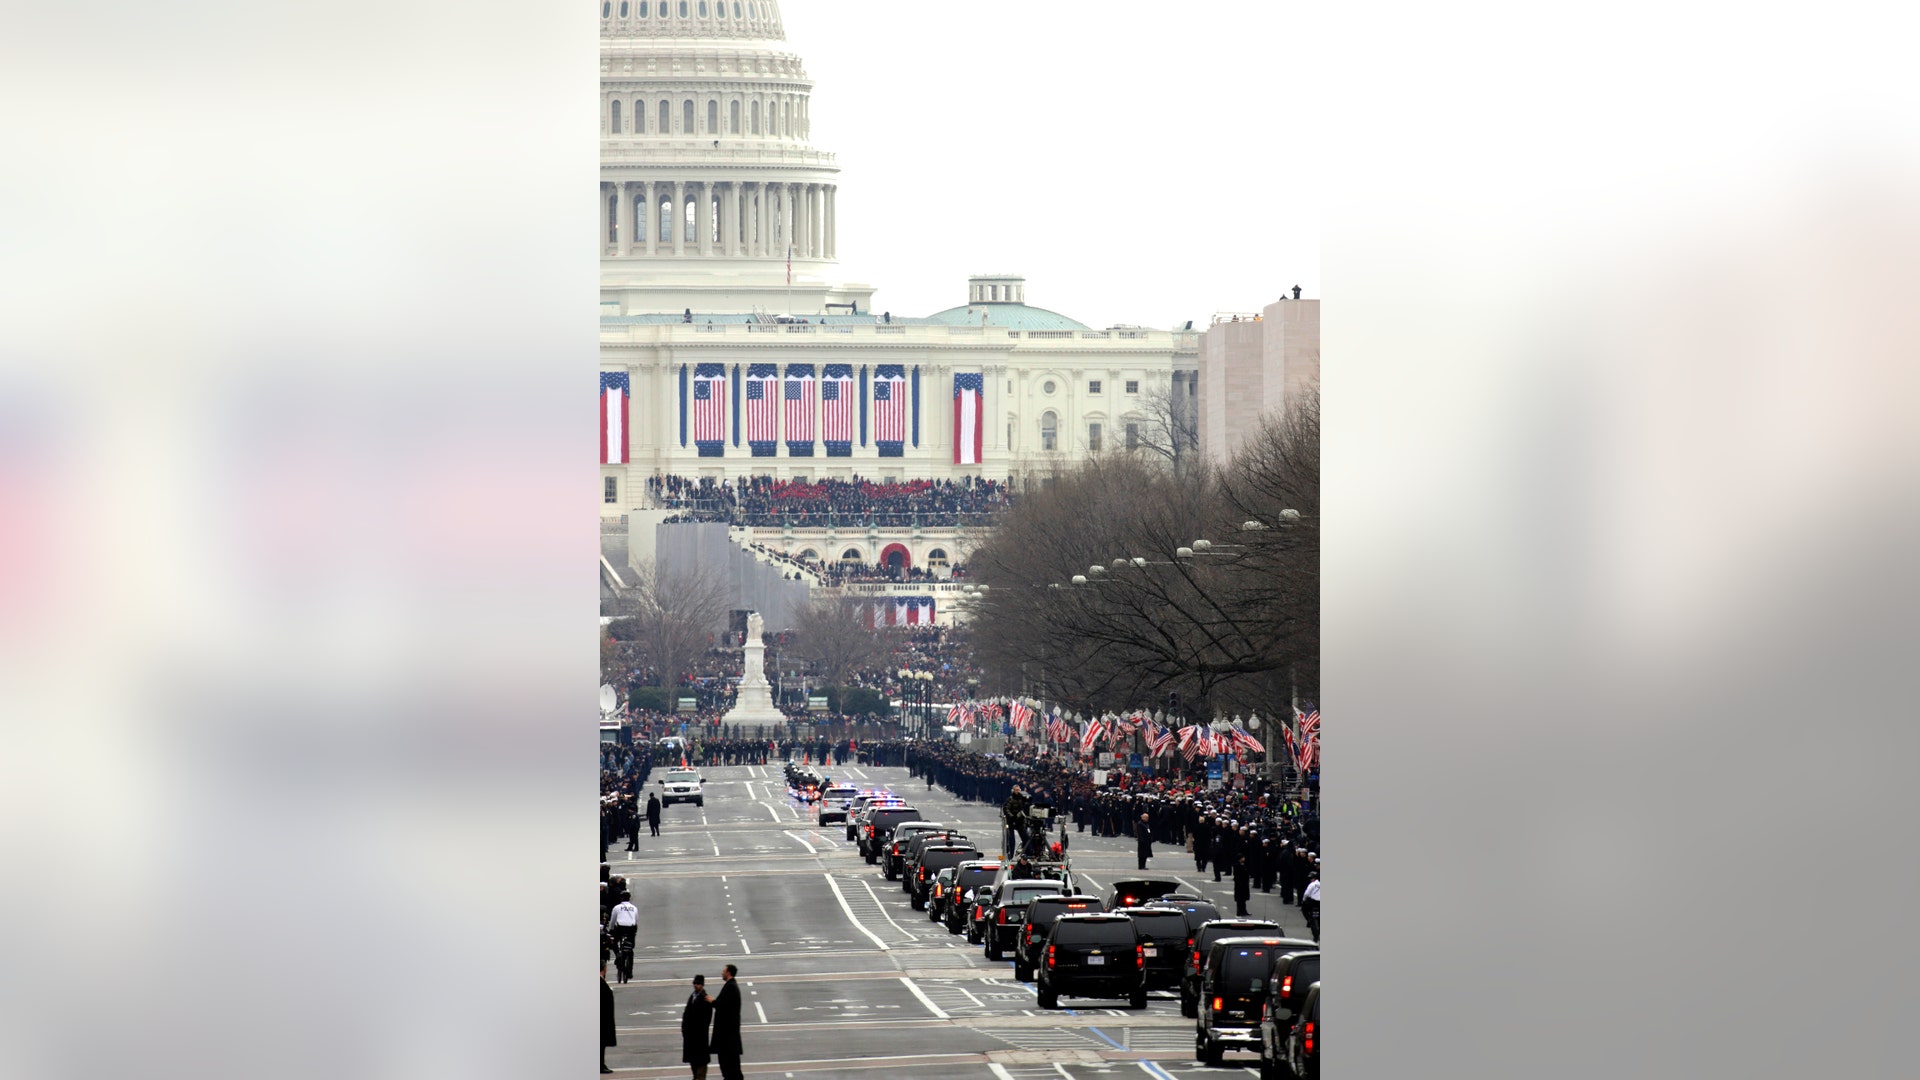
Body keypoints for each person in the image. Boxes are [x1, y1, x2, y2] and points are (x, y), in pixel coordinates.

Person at [711, 963, 744, 1079]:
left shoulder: (730, 987)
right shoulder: (731, 986)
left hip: (727, 1038)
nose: (722, 973)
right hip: (729, 1038)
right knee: (731, 1067)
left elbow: (723, 1006)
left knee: (729, 1067)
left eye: (724, 971)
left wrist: (712, 1001)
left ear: (729, 972)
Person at [681, 974, 713, 1080]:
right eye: (695, 983)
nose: (696, 985)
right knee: (694, 1063)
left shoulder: (705, 998)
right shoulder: (693, 996)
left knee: (700, 1066)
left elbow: (706, 1019)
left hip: (699, 1037)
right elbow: (686, 1015)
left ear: (702, 985)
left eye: (698, 983)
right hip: (691, 1037)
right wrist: (684, 1030)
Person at [607, 894, 639, 983]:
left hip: (620, 928)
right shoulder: (634, 908)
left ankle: (617, 954)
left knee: (614, 942)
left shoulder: (617, 907)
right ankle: (630, 971)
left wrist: (611, 930)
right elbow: (636, 920)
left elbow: (612, 921)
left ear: (621, 898)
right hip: (631, 929)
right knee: (630, 948)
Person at [601, 960, 617, 1074]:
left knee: (601, 1043)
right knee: (600, 1043)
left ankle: (601, 1064)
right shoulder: (600, 983)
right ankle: (600, 1065)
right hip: (601, 1019)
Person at [1300, 865, 1321, 941]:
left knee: (1304, 910)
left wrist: (1303, 901)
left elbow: (1306, 894)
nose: (1310, 880)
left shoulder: (1312, 885)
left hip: (1313, 903)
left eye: (1311, 878)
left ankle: (1309, 919)